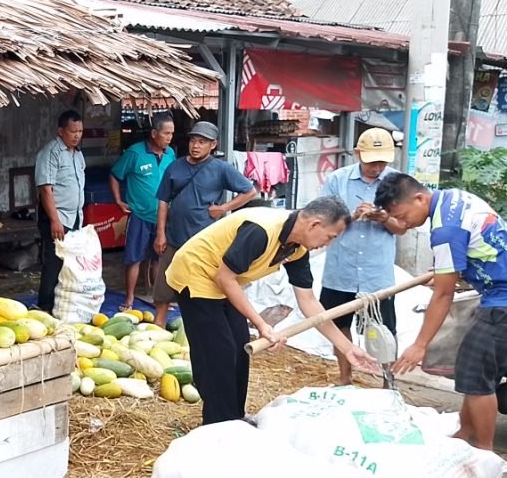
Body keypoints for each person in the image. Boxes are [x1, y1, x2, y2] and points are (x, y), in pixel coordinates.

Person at [166, 196, 378, 425]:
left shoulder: (296, 249)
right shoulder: (262, 230)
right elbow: (224, 277)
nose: (328, 244)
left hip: (224, 281)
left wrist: (347, 348)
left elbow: (308, 301)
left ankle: (234, 416)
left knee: (239, 347)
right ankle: (218, 424)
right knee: (218, 353)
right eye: (330, 237)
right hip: (196, 274)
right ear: (314, 225)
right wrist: (262, 324)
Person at [378, 173, 507, 450]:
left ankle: (483, 451)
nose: (403, 224)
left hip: (502, 302)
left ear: (419, 198)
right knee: (475, 369)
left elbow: (444, 294)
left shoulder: (445, 230)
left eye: (402, 215)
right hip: (496, 293)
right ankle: (465, 432)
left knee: (475, 376)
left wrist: (420, 345)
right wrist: (447, 272)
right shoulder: (454, 198)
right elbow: (471, 254)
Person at [319, 128, 408, 385]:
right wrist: (352, 217)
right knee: (338, 325)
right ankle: (345, 377)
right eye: (371, 161)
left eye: (381, 161)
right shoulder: (338, 180)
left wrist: (385, 218)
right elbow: (323, 222)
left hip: (376, 271)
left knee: (384, 329)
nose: (376, 167)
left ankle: (388, 380)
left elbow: (403, 227)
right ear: (358, 154)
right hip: (341, 268)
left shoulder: (397, 183)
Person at [153, 121, 256, 328]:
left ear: (213, 145)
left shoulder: (221, 168)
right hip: (174, 237)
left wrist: (223, 208)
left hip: (203, 241)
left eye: (202, 142)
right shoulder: (175, 166)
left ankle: (196, 326)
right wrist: (160, 233)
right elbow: (163, 201)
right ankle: (159, 324)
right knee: (164, 284)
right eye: (193, 140)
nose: (196, 146)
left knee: (198, 285)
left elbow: (250, 191)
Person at [34, 110, 86, 313]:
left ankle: (63, 304)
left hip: (74, 218)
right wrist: (54, 220)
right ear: (61, 131)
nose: (77, 135)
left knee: (69, 264)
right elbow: (46, 189)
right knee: (53, 264)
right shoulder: (51, 152)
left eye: (80, 131)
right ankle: (45, 306)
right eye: (73, 131)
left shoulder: (78, 154)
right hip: (57, 218)